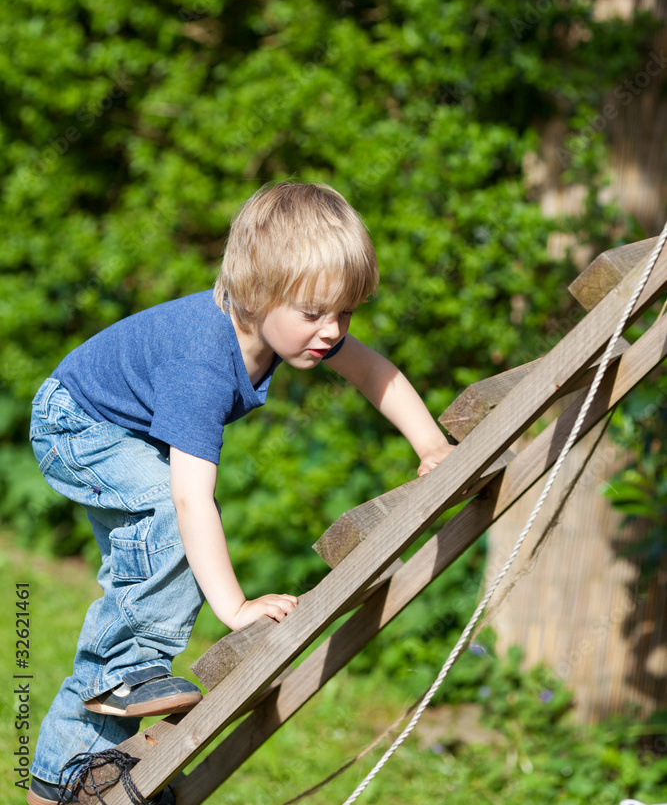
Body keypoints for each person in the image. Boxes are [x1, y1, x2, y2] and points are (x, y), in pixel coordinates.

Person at [27, 181, 454, 805]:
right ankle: (121, 673)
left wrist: (430, 445)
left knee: (157, 551)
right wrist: (233, 609)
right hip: (75, 424)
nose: (332, 330)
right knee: (169, 517)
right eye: (314, 314)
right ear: (257, 295)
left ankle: (78, 762)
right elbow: (191, 500)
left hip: (119, 427)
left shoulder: (291, 326)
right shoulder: (200, 362)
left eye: (345, 313)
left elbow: (370, 368)